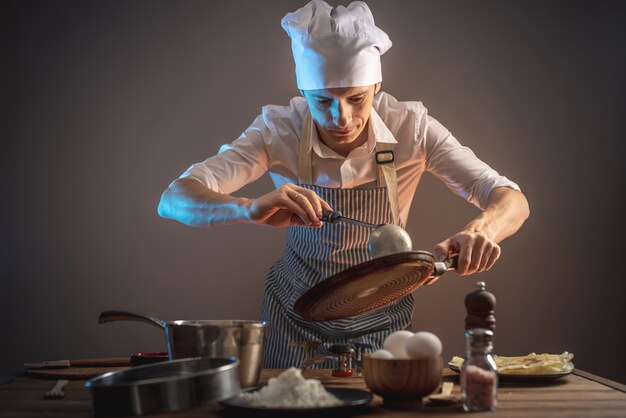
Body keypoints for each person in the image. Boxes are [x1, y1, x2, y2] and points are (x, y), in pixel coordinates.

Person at [158, 0, 529, 368]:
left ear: (377, 85)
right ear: (304, 92)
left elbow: (509, 197)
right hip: (294, 314)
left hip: (384, 317)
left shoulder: (412, 128)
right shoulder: (278, 130)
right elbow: (173, 199)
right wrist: (248, 209)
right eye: (323, 100)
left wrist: (482, 229)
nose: (341, 118)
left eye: (356, 98)